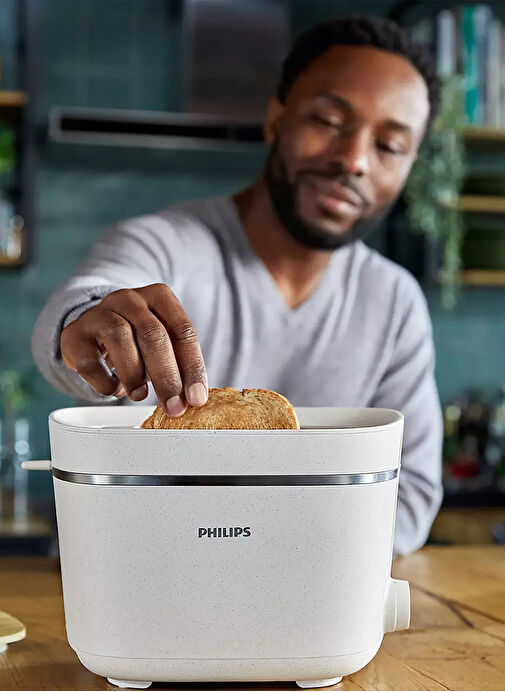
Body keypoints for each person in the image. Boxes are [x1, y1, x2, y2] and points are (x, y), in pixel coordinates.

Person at [32, 15, 443, 555]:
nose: (354, 160)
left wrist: (255, 555)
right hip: (143, 578)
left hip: (312, 593)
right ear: (275, 118)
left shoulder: (394, 303)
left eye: (389, 145)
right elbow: (80, 311)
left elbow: (411, 498)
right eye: (327, 120)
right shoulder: (163, 246)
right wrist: (88, 324)